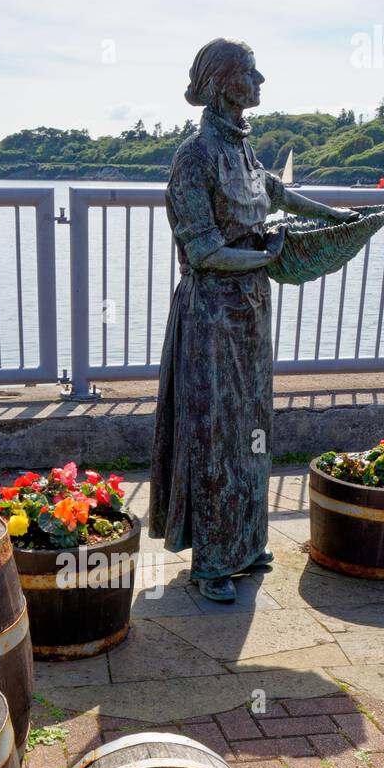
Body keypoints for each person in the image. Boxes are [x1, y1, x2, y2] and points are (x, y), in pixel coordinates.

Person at [149, 38, 358, 602]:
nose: (260, 79)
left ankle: (246, 542)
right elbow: (203, 250)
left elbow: (277, 192)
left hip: (250, 310)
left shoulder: (242, 149)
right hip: (211, 315)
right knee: (214, 432)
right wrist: (267, 257)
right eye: (248, 71)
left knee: (252, 429)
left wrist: (341, 217)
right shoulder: (194, 156)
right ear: (221, 83)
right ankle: (212, 562)